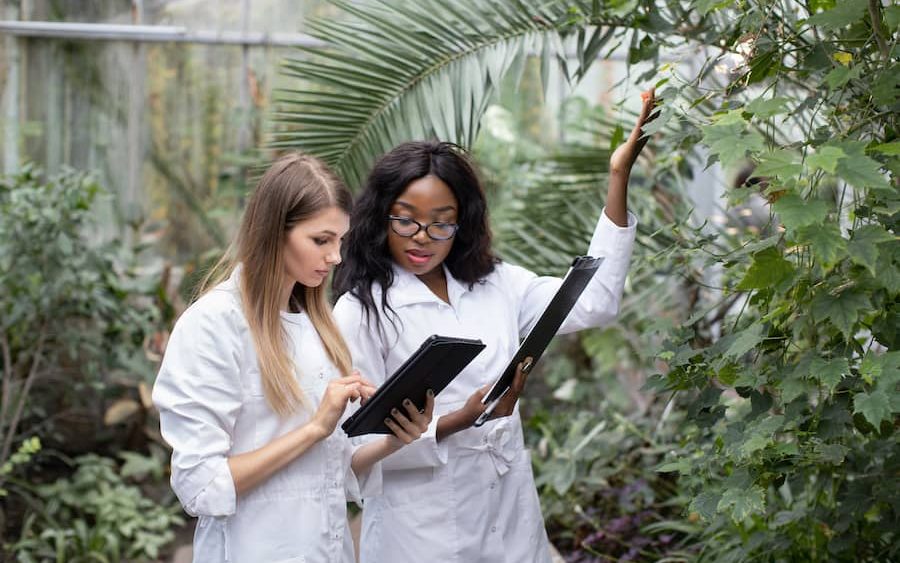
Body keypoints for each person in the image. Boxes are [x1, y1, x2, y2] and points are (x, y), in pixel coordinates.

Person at [332, 90, 656, 562]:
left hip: (509, 514)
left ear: (463, 224)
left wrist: (618, 175)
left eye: (441, 224)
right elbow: (351, 453)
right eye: (407, 221)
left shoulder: (496, 284)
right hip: (422, 533)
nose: (422, 238)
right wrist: (451, 423)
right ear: (381, 217)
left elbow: (597, 302)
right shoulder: (361, 310)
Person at [152, 152, 433, 563]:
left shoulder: (320, 327)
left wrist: (395, 438)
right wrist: (314, 428)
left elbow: (329, 470)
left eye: (340, 240)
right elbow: (200, 486)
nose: (336, 257)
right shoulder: (213, 326)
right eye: (321, 240)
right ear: (273, 233)